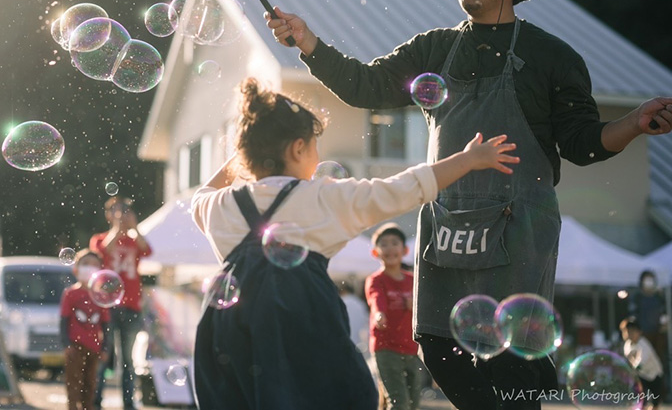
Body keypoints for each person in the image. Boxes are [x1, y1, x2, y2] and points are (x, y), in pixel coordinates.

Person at [266, 0, 672, 409]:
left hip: (519, 226)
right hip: (447, 220)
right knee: (437, 345)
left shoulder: (553, 57)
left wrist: (633, 123)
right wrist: (308, 42)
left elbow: (583, 144)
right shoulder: (434, 49)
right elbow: (366, 86)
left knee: (514, 359)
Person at [191, 78, 521, 410]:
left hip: (227, 324)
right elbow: (405, 187)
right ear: (297, 148)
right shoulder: (323, 197)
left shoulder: (221, 206)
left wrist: (247, 150)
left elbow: (199, 197)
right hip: (301, 319)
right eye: (314, 145)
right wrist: (468, 159)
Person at [89, 197, 152, 410]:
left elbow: (148, 250)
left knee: (128, 358)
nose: (122, 215)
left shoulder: (134, 241)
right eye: (117, 211)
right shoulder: (99, 238)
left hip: (132, 306)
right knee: (105, 354)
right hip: (108, 306)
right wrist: (118, 226)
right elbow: (104, 249)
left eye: (125, 211)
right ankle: (96, 400)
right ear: (108, 215)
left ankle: (128, 402)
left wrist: (134, 227)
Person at [366, 223, 423, 410]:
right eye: (384, 244)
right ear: (375, 252)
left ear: (405, 249)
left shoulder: (412, 280)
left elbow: (424, 309)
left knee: (413, 402)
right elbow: (376, 298)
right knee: (400, 403)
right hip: (386, 348)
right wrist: (379, 314)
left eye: (394, 243)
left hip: (412, 349)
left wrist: (415, 308)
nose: (389, 248)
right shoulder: (376, 279)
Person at [61, 249, 111, 410]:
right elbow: (63, 320)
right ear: (76, 268)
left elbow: (106, 324)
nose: (90, 268)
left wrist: (105, 348)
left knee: (90, 382)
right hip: (75, 346)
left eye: (95, 265)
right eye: (85, 264)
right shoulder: (70, 293)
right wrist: (66, 344)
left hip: (94, 347)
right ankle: (72, 407)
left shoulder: (100, 295)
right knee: (73, 381)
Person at [630, 270, 669, 391]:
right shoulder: (637, 297)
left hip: (657, 337)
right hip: (642, 338)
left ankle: (660, 392)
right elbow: (632, 317)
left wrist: (664, 325)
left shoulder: (659, 297)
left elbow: (664, 315)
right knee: (641, 366)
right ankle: (640, 393)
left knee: (657, 365)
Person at [622, 316, 664, 410]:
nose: (630, 333)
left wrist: (629, 370)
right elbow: (629, 360)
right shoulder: (627, 345)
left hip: (654, 375)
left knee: (655, 402)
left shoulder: (644, 344)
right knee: (641, 400)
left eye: (633, 331)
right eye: (627, 331)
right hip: (641, 376)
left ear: (639, 332)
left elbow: (640, 363)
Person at [340, 281, 371, 357]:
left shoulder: (341, 301)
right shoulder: (359, 302)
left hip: (344, 338)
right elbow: (366, 320)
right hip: (359, 341)